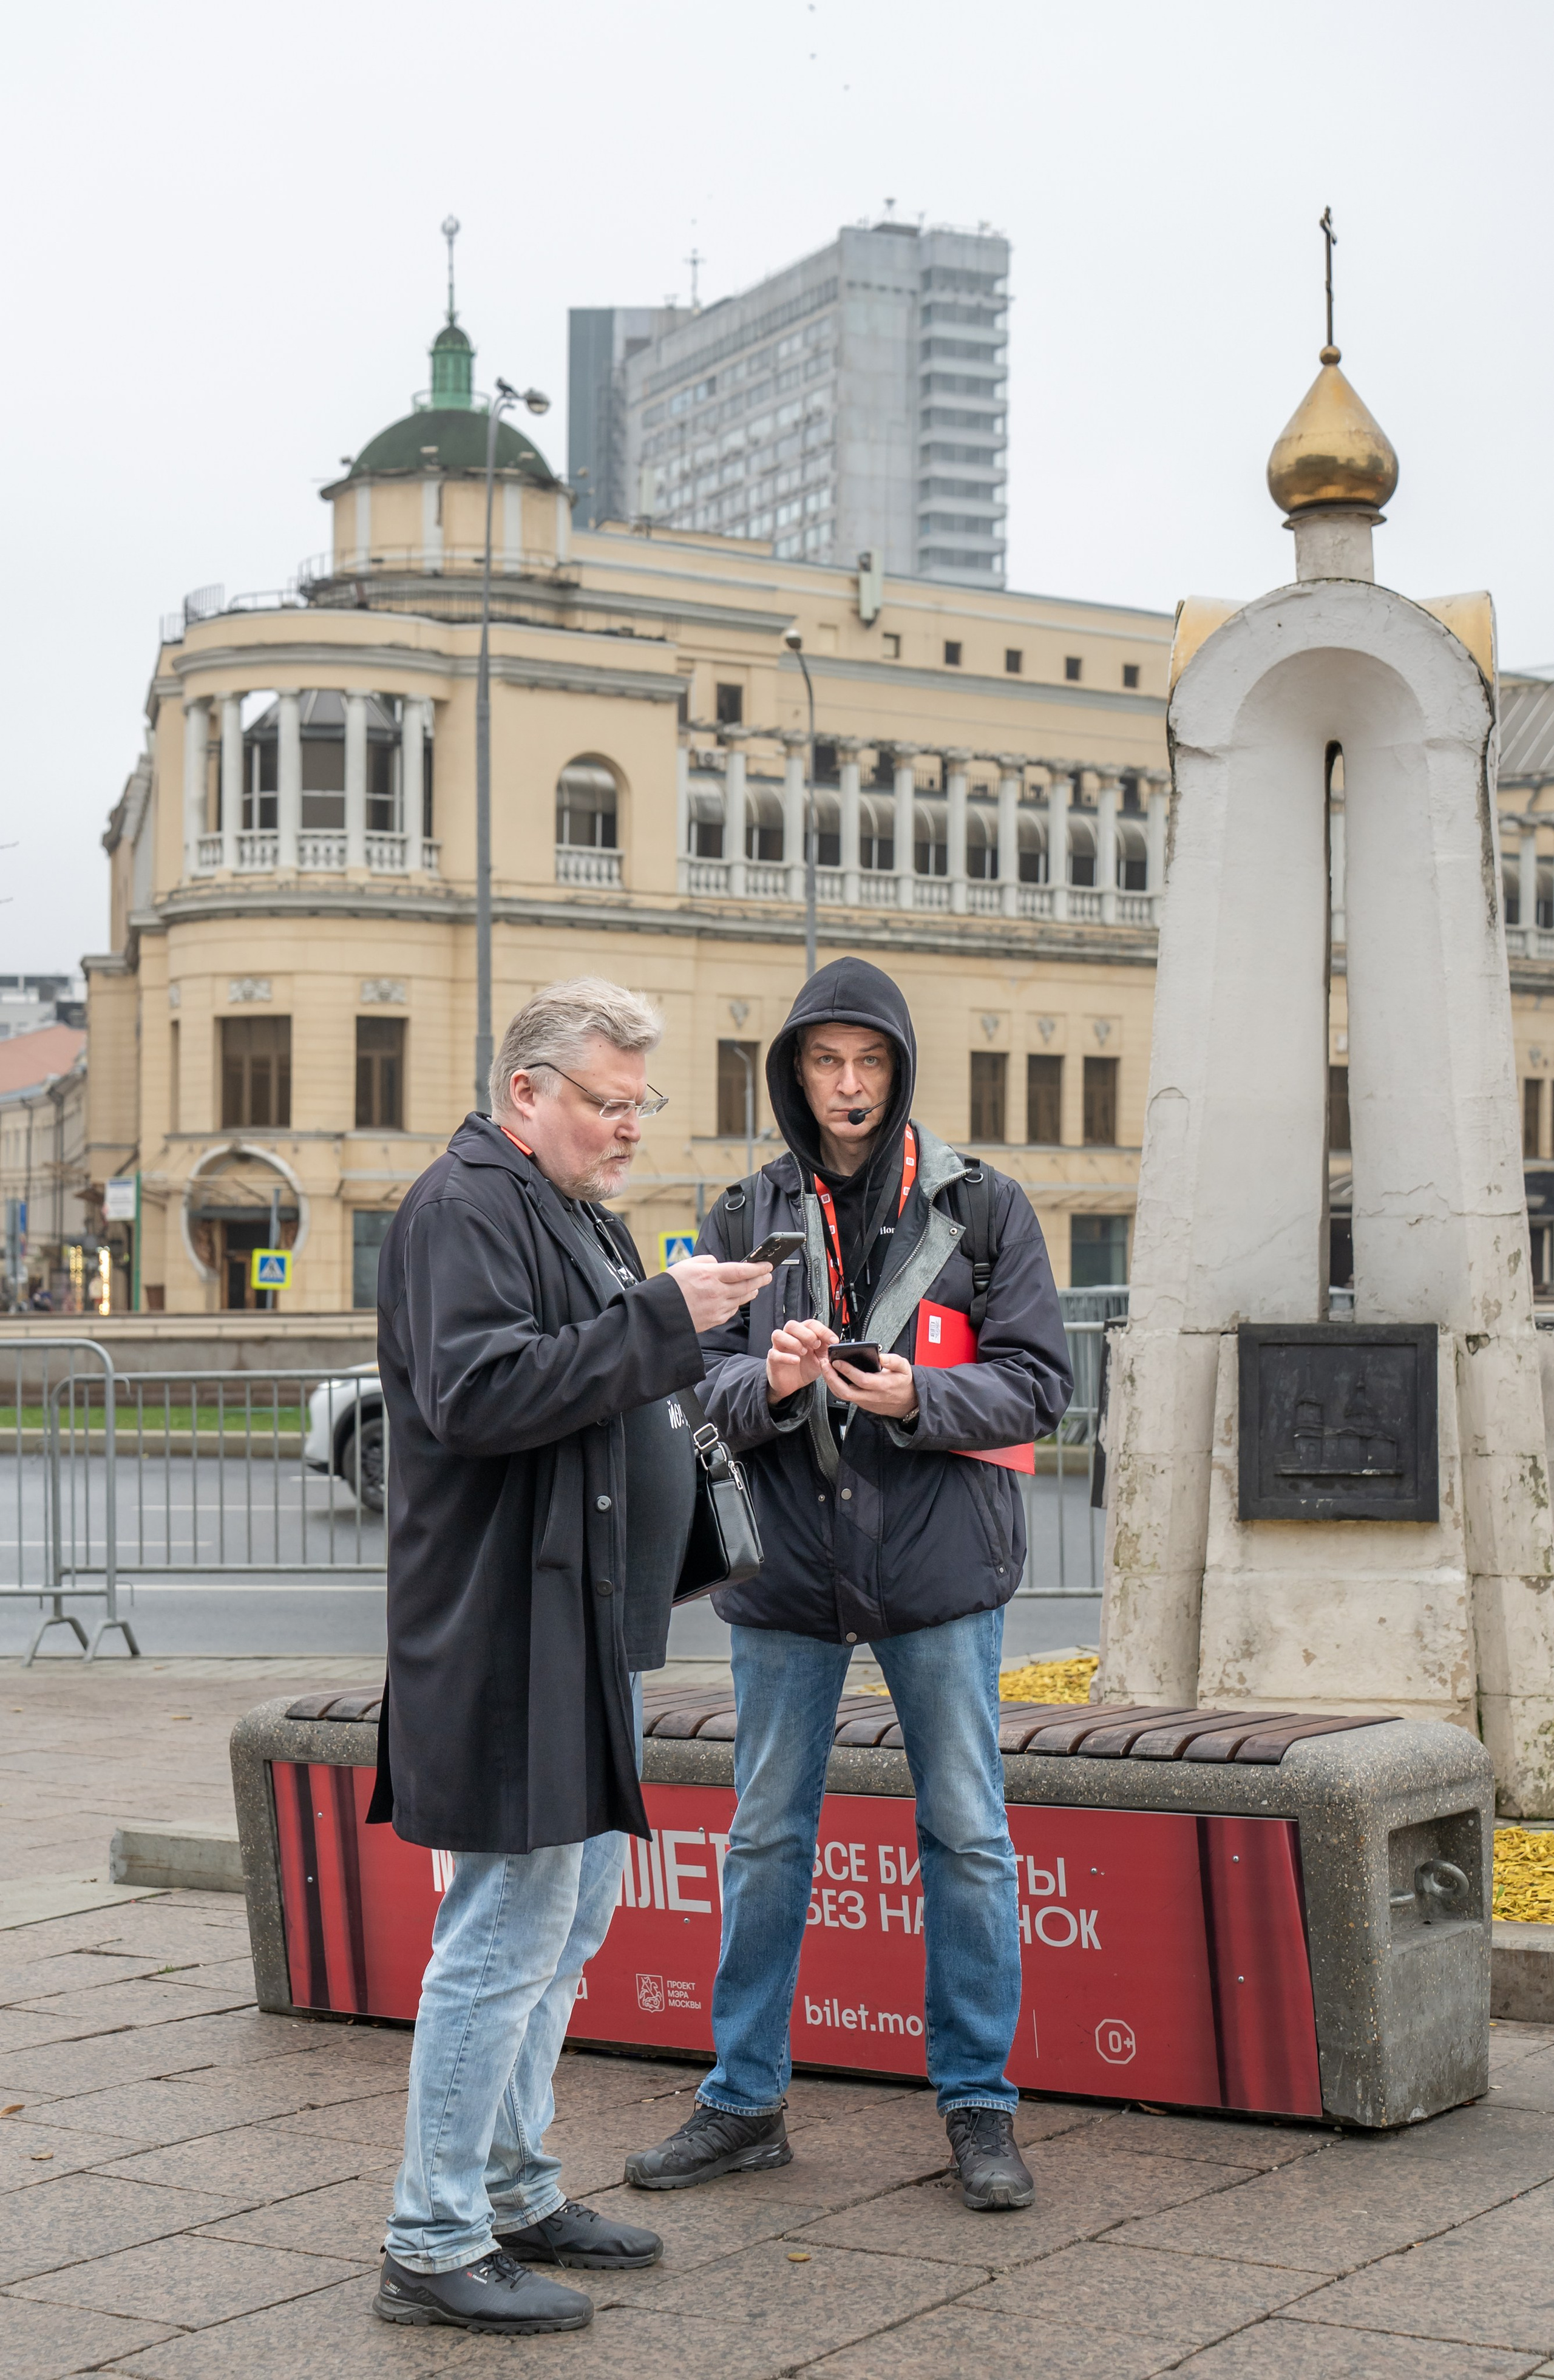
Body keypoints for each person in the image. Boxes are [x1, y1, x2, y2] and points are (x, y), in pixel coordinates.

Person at [626, 956, 1073, 2212]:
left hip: (937, 1568)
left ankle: (978, 2107)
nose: (846, 1084)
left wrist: (918, 1395)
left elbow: (1040, 1379)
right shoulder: (738, 1213)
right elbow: (691, 1383)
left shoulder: (980, 1204)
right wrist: (767, 1383)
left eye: (867, 1060)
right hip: (785, 1572)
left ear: (898, 1069)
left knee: (968, 1839)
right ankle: (741, 2098)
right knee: (766, 1837)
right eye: (823, 1061)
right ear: (792, 1073)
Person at [368, 977, 772, 2337]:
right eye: (606, 1102)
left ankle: (514, 2183)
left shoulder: (559, 1208)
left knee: (566, 1925)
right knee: (502, 1936)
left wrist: (699, 1344)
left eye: (637, 1104)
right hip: (505, 1636)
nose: (626, 1129)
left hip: (577, 1630)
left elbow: (596, 1378)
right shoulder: (463, 1207)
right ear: (527, 1092)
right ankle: (432, 2233)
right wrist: (665, 1315)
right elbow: (480, 1392)